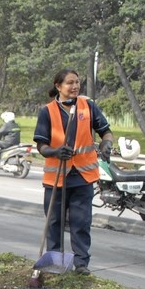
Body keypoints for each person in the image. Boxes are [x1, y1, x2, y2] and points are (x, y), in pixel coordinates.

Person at [33, 69, 113, 275]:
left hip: (83, 177)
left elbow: (105, 131)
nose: (75, 86)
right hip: (56, 177)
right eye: (70, 83)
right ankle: (54, 260)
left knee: (81, 222)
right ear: (58, 86)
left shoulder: (88, 107)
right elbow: (41, 146)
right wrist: (55, 151)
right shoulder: (47, 111)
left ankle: (81, 264)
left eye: (77, 82)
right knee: (54, 222)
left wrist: (106, 144)